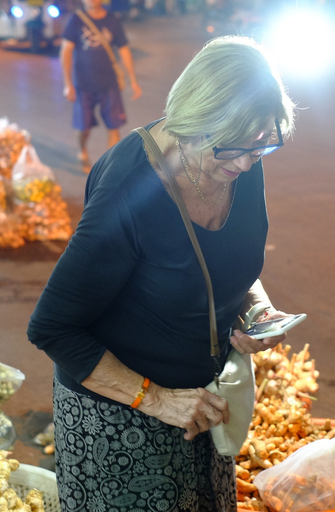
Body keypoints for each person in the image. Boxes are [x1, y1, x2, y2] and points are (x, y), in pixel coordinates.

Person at [28, 35, 297, 511]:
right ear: (195, 122)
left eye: (260, 148)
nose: (242, 162)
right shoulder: (130, 191)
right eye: (230, 148)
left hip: (199, 407)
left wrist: (255, 307)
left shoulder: (242, 155)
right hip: (121, 420)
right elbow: (53, 327)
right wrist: (158, 400)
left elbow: (223, 262)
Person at [60, 0, 141, 172]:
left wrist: (133, 80)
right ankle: (82, 150)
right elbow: (66, 51)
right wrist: (68, 84)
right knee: (84, 128)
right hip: (83, 85)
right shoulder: (76, 20)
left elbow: (124, 49)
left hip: (109, 83)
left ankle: (113, 167)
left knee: (114, 126)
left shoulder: (113, 21)